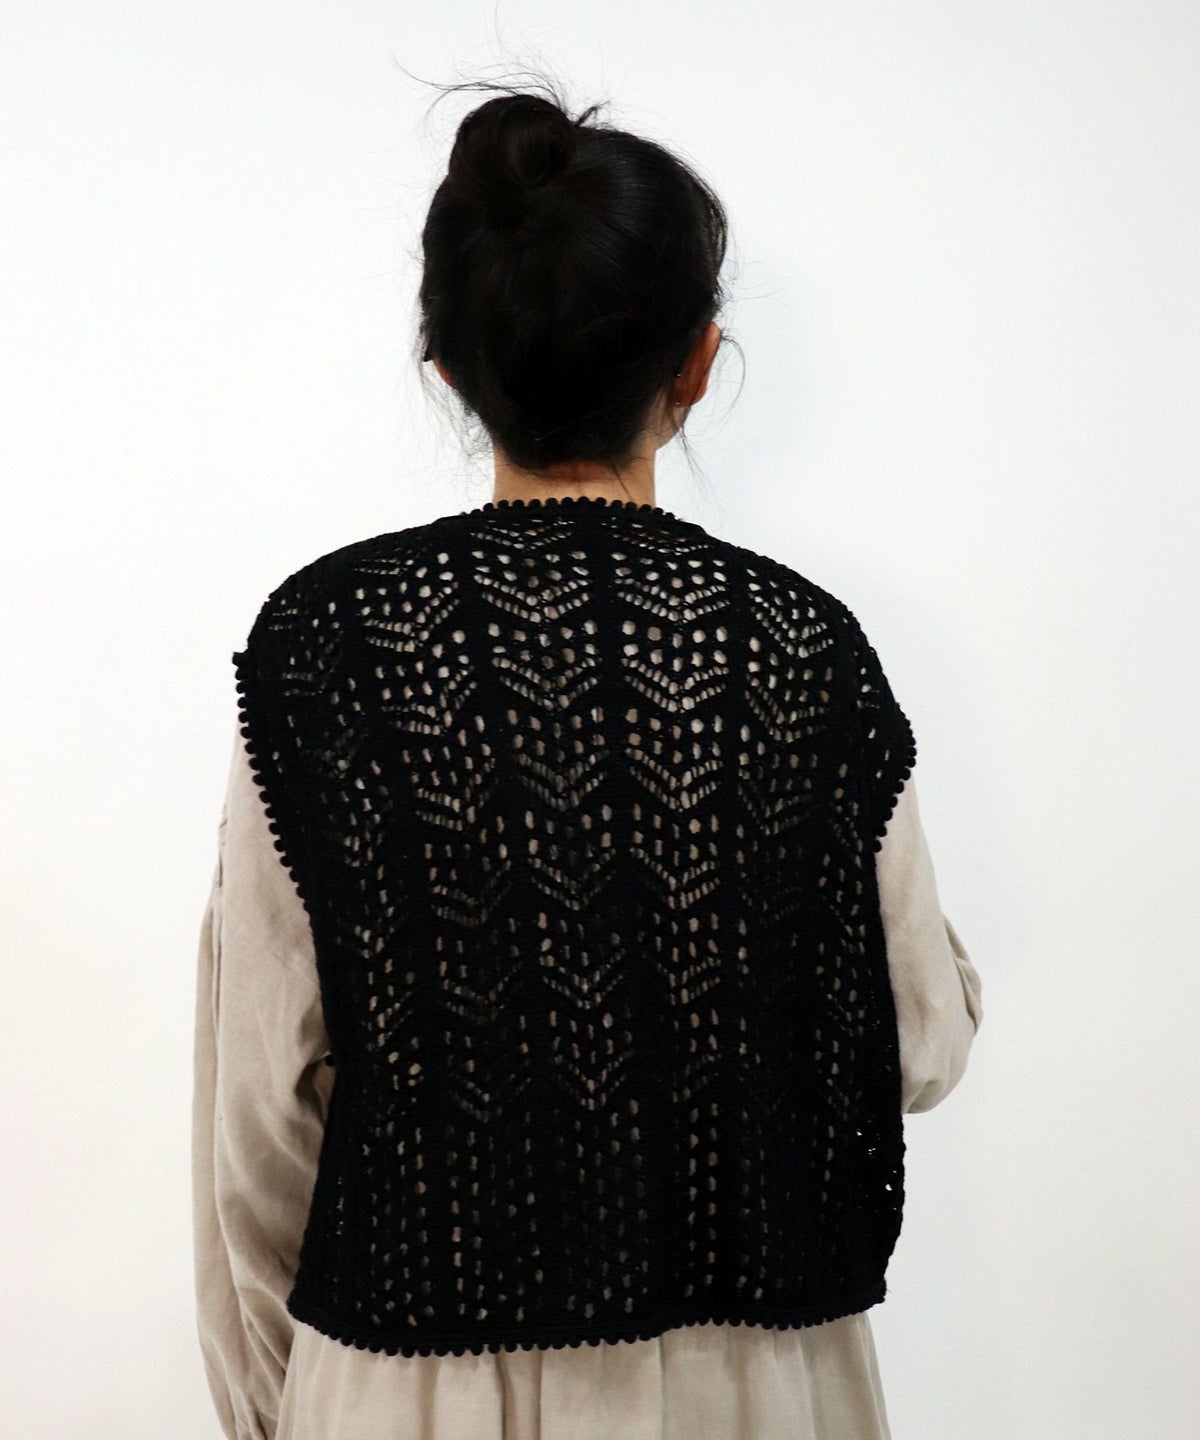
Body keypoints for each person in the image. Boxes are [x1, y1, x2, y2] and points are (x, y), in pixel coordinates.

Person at [192, 77, 983, 1440]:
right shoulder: (802, 649)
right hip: (754, 1383)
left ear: (448, 368)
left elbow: (263, 1108)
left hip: (407, 1387)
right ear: (698, 363)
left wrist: (281, 1403)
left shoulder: (328, 650)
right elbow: (920, 1039)